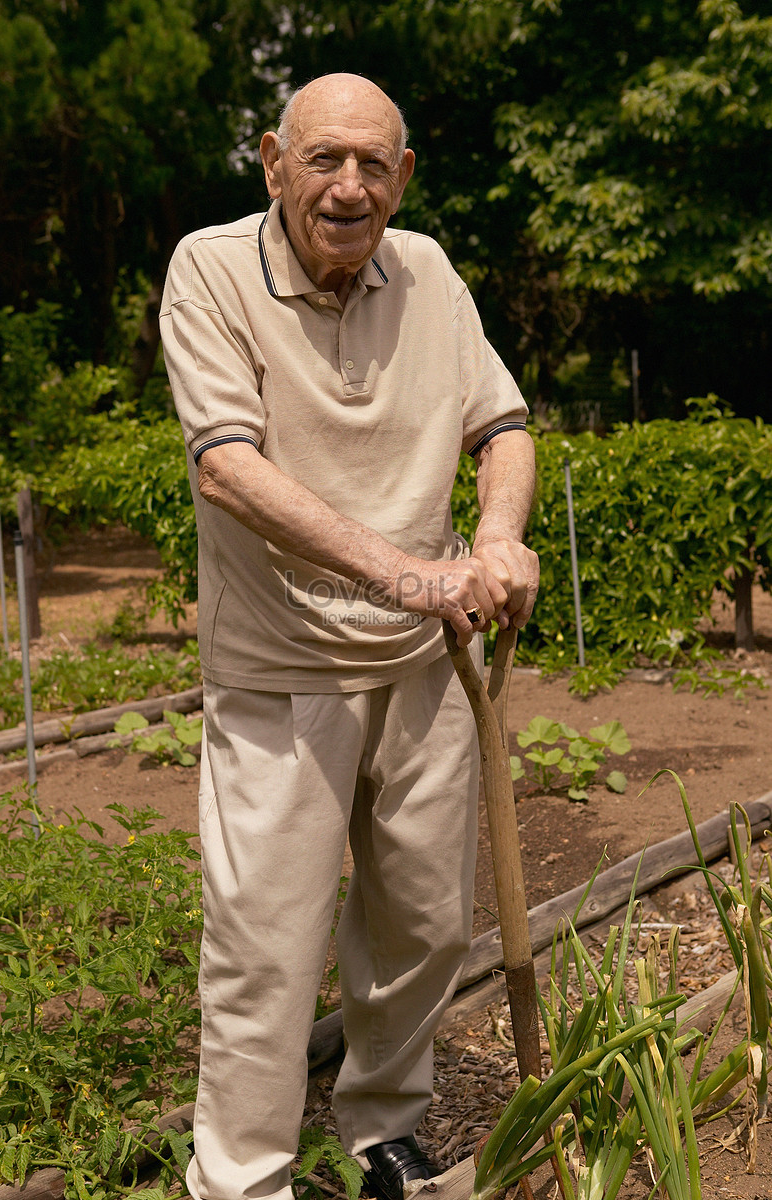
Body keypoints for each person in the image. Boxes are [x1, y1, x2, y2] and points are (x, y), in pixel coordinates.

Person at [160, 72, 539, 1200]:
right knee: (264, 950)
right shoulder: (211, 269)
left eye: (374, 163)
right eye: (324, 159)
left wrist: (500, 535)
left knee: (423, 924)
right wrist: (404, 571)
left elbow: (503, 424)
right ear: (273, 162)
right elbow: (227, 468)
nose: (349, 185)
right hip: (284, 670)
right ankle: (242, 1177)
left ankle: (381, 1125)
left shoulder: (428, 272)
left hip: (429, 663)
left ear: (404, 176)